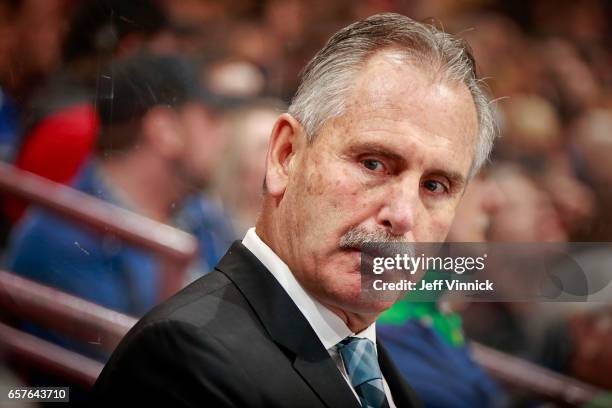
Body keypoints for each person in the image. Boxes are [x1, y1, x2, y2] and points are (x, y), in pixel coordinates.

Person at [93, 13, 496, 407]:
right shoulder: (182, 359)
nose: (403, 215)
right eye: (373, 163)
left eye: (435, 186)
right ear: (286, 156)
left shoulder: (374, 367)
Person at [5, 53, 236, 358]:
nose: (223, 135)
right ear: (164, 130)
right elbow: (131, 376)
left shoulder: (201, 213)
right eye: (210, 119)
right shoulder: (61, 236)